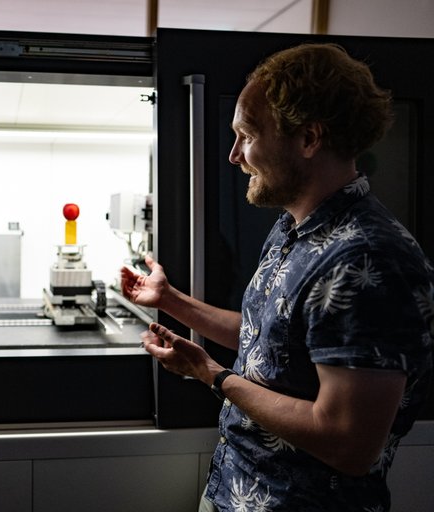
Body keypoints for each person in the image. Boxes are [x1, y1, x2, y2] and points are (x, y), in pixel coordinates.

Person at [121, 43, 433, 511]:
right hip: (237, 491)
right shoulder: (293, 228)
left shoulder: (368, 260)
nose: (234, 156)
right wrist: (171, 301)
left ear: (309, 139)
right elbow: (272, 340)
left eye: (246, 135)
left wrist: (211, 374)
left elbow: (348, 443)